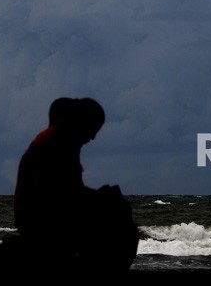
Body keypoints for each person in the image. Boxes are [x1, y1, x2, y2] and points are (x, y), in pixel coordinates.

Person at [13, 97, 139, 276]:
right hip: (42, 222)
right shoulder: (56, 143)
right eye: (93, 129)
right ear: (82, 122)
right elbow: (60, 195)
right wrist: (100, 197)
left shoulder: (60, 141)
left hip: (43, 217)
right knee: (122, 222)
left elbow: (68, 190)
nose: (93, 137)